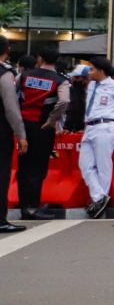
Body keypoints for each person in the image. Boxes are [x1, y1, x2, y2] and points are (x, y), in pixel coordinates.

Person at [17, 48, 70, 220]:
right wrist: (53, 120)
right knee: (38, 167)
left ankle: (25, 206)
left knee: (23, 166)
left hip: (23, 125)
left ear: (40, 58)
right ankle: (33, 207)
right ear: (56, 61)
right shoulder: (60, 80)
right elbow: (64, 101)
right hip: (43, 127)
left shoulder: (25, 75)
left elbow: (13, 94)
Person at [79, 57, 114, 219]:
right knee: (84, 164)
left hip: (106, 126)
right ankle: (100, 197)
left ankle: (99, 200)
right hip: (90, 127)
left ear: (101, 71)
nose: (89, 72)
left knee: (103, 165)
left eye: (92, 69)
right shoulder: (91, 85)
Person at [0, 36, 28, 233]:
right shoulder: (4, 74)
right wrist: (21, 135)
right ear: (7, 50)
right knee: (1, 175)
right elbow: (11, 108)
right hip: (1, 132)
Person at [63, 65, 90, 133]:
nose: (73, 79)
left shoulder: (98, 90)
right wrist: (67, 127)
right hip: (78, 128)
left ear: (86, 77)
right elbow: (73, 109)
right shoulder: (75, 89)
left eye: (76, 77)